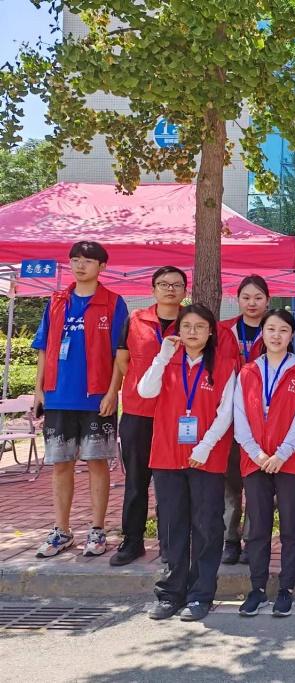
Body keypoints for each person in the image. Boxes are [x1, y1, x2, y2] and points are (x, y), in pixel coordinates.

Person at [32, 241, 129, 559]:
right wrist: (39, 390)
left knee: (97, 463)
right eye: (75, 260)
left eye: (87, 261)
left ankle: (97, 530)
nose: (80, 266)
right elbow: (43, 347)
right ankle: (61, 530)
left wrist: (113, 392)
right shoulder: (56, 301)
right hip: (58, 396)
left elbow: (120, 354)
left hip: (96, 398)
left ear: (102, 266)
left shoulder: (113, 303)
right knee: (61, 465)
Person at [140, 304, 236, 622]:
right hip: (167, 455)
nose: (193, 332)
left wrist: (205, 447)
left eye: (200, 326)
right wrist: (162, 356)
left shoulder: (225, 365)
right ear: (178, 330)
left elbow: (226, 413)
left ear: (211, 332)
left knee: (207, 526)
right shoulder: (167, 361)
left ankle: (200, 594)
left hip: (207, 457)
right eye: (187, 326)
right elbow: (145, 391)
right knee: (171, 525)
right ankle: (170, 593)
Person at [234, 309, 295, 618]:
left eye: (283, 330)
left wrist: (282, 453)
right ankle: (257, 588)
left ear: (292, 334)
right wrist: (257, 453)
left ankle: (286, 588)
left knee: (291, 527)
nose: (276, 335)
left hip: (291, 461)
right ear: (263, 333)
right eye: (271, 329)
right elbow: (240, 416)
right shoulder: (248, 372)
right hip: (255, 460)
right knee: (258, 527)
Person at [109, 266, 186, 566]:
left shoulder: (191, 321)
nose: (170, 289)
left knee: (173, 483)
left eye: (176, 284)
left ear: (185, 290)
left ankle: (169, 542)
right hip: (138, 411)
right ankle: (133, 541)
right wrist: (142, 385)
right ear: (153, 289)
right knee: (136, 481)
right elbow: (122, 359)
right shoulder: (135, 319)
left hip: (177, 414)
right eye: (163, 284)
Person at [219, 274, 270, 565]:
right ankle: (229, 539)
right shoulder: (223, 331)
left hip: (261, 420)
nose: (252, 303)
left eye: (258, 298)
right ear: (237, 299)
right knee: (230, 483)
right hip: (227, 418)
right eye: (246, 297)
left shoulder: (275, 329)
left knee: (257, 482)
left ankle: (253, 539)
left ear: (267, 301)